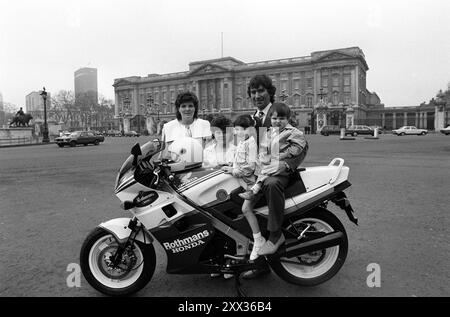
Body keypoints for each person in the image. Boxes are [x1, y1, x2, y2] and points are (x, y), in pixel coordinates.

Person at [241, 74, 309, 280]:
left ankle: (275, 237)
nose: (257, 95)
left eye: (261, 91)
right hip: (257, 170)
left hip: (277, 171)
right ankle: (259, 262)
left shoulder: (279, 111)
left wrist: (285, 165)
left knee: (270, 185)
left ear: (269, 92)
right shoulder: (254, 117)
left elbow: (303, 146)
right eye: (253, 92)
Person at [220, 115, 266, 261]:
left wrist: (233, 171)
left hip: (251, 183)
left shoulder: (250, 143)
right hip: (243, 182)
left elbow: (249, 168)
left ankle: (258, 240)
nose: (237, 132)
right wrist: (230, 167)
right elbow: (238, 162)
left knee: (245, 209)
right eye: (236, 129)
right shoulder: (243, 142)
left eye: (241, 129)